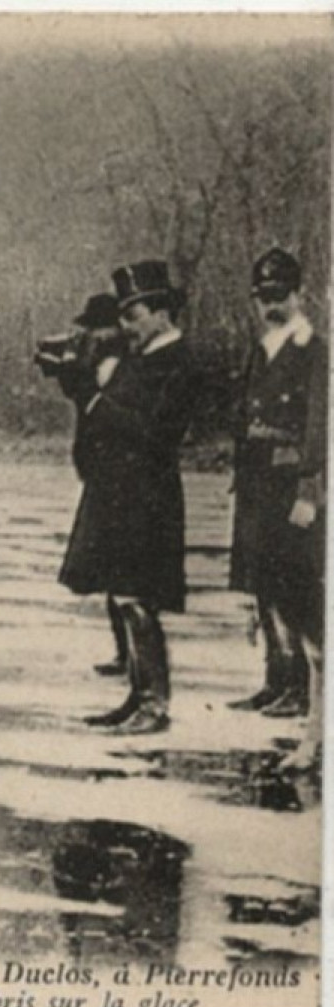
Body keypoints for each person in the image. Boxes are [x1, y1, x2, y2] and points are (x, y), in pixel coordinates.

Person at [58, 260, 200, 735]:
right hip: (119, 492)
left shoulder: (179, 362)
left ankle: (155, 703)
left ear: (162, 313)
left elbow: (157, 432)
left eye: (134, 313)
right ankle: (138, 695)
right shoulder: (141, 358)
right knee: (124, 596)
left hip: (148, 495)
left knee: (140, 599)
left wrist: (96, 400)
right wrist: (80, 391)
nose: (127, 325)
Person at [226, 249, 326, 770]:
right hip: (259, 488)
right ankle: (295, 701)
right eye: (263, 298)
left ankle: (314, 724)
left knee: (307, 609)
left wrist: (311, 491)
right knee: (271, 592)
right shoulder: (261, 350)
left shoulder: (315, 352)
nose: (272, 305)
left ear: (299, 294)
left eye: (280, 296)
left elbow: (319, 427)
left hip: (291, 491)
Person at [35, 292, 132, 683]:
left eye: (97, 327)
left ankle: (129, 653)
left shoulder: (117, 357)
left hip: (115, 468)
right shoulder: (104, 353)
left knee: (121, 568)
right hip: (99, 465)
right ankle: (124, 651)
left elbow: (99, 401)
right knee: (112, 567)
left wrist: (72, 370)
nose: (92, 334)